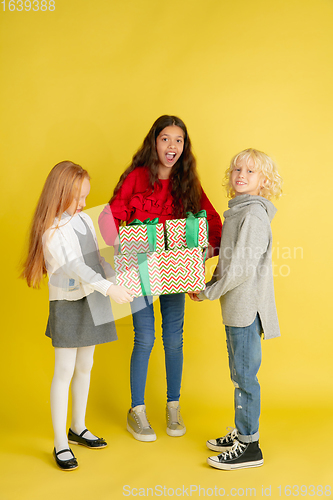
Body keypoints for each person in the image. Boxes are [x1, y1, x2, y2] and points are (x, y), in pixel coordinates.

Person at [99, 115, 222, 442]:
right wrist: (121, 252)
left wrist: (203, 255)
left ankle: (173, 406)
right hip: (139, 268)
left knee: (174, 338)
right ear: (154, 142)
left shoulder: (187, 180)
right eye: (166, 139)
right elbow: (110, 216)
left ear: (185, 146)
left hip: (176, 268)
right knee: (145, 337)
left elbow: (212, 219)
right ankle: (136, 410)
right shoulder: (137, 177)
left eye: (178, 140)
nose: (172, 146)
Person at [21, 161, 134, 471]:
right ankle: (60, 442)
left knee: (86, 366)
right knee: (64, 370)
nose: (84, 203)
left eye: (86, 196)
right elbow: (75, 267)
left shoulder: (84, 219)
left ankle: (78, 427)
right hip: (69, 303)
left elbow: (96, 259)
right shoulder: (52, 231)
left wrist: (118, 277)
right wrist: (110, 288)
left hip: (94, 298)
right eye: (78, 197)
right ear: (59, 193)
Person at [189, 148, 283, 470]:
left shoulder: (254, 216)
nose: (241, 175)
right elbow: (229, 259)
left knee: (245, 377)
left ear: (264, 181)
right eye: (236, 169)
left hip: (246, 310)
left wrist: (209, 292)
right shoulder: (239, 212)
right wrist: (206, 283)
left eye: (250, 171)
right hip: (235, 307)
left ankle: (249, 445)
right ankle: (242, 432)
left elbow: (241, 268)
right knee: (238, 373)